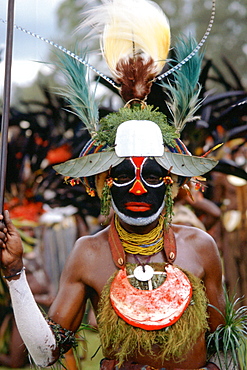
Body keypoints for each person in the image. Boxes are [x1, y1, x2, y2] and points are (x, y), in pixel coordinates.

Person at [0, 0, 233, 369]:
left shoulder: (201, 248)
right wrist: (15, 272)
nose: (138, 188)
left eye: (153, 175)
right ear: (104, 183)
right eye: (123, 175)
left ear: (171, 183)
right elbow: (45, 355)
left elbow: (220, 343)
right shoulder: (88, 255)